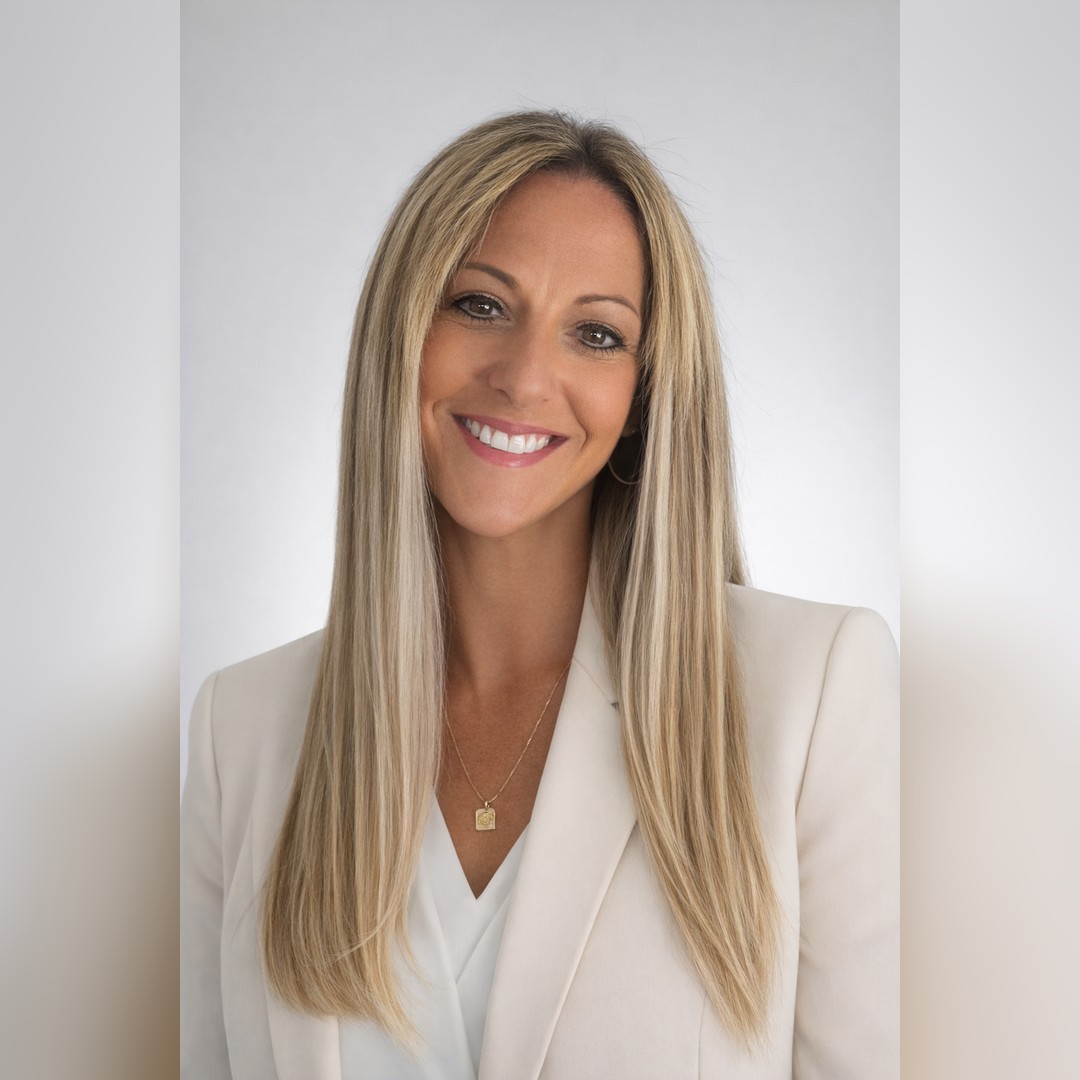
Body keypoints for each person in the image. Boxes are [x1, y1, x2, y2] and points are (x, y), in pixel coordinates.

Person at [181, 110, 898, 1080]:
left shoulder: (812, 696)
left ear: (647, 395)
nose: (525, 377)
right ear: (403, 327)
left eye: (596, 333)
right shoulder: (243, 731)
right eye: (480, 305)